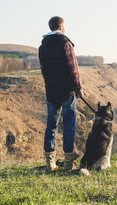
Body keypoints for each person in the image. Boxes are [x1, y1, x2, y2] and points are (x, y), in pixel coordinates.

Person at [39, 16, 82, 170]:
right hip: (66, 91)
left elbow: (43, 70)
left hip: (51, 91)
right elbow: (73, 68)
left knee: (51, 125)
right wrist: (78, 87)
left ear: (50, 27)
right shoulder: (66, 43)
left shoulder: (42, 47)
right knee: (69, 125)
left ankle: (50, 163)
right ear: (61, 26)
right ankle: (68, 162)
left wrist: (50, 84)